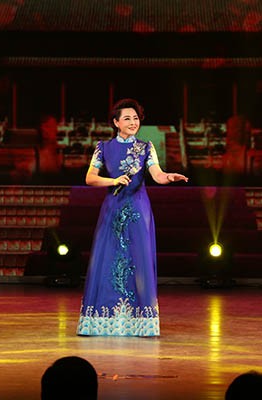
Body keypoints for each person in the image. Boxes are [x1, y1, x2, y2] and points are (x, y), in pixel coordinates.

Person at [76, 98, 188, 337]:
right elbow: (90, 178)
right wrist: (113, 180)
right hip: (113, 209)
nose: (133, 122)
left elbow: (157, 175)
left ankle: (139, 322)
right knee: (108, 259)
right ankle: (103, 319)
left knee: (139, 261)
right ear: (116, 122)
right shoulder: (103, 148)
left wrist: (169, 177)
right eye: (127, 118)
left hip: (138, 209)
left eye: (136, 118)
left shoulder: (146, 147)